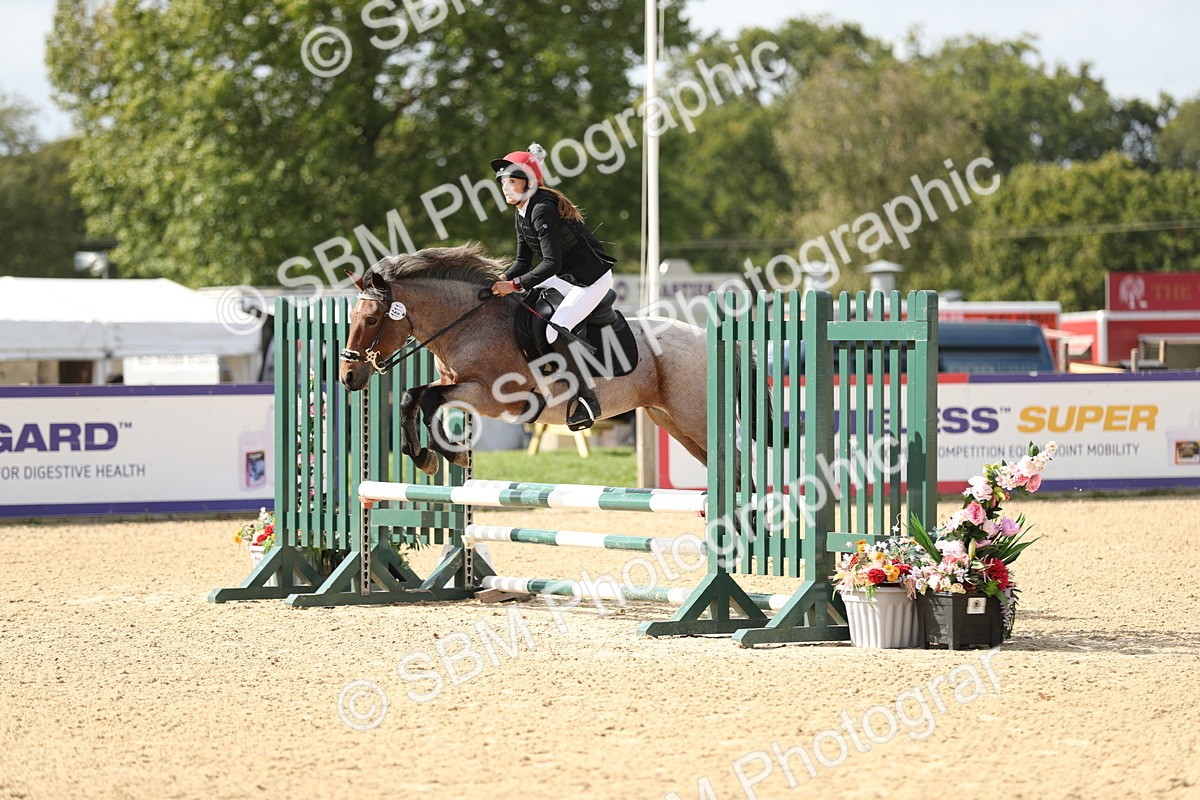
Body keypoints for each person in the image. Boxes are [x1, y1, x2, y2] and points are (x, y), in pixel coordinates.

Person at [489, 143, 615, 431]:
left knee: (552, 327)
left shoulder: (542, 209)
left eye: (512, 181)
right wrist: (495, 283)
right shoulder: (522, 211)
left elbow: (551, 264)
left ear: (529, 181)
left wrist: (514, 285)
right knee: (526, 312)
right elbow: (522, 261)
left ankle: (586, 398)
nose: (506, 188)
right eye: (503, 183)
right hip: (565, 276)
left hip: (589, 278)